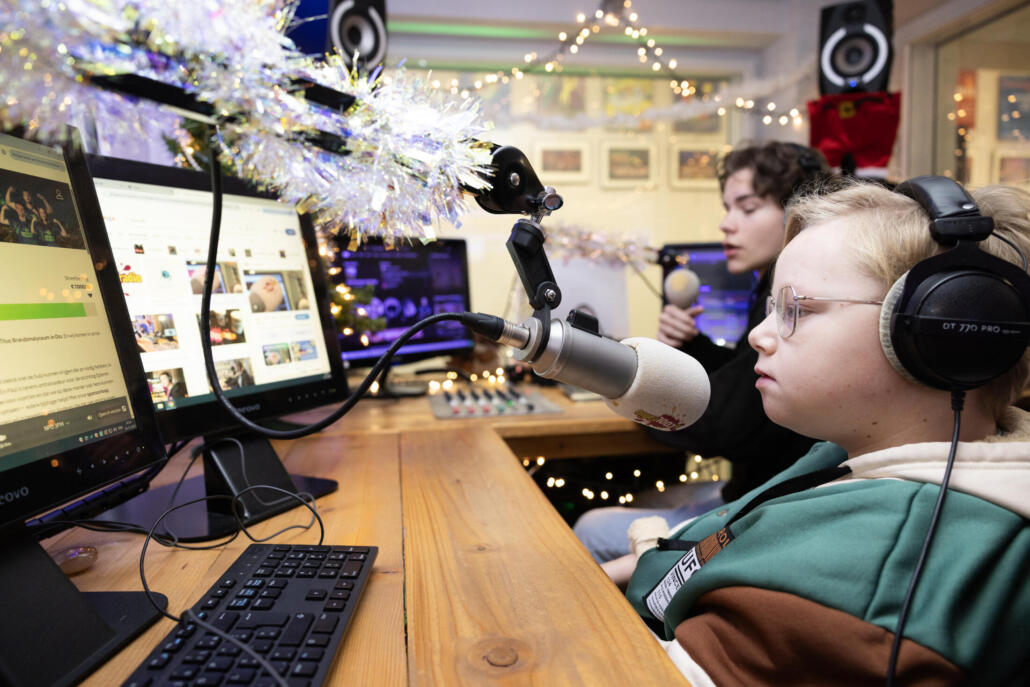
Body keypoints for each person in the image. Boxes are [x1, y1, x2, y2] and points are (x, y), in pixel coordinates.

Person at [610, 179, 1030, 685]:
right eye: (770, 308)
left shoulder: (860, 590)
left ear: (936, 329)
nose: (757, 335)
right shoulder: (849, 454)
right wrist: (643, 557)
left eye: (797, 310)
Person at [573, 142, 828, 563]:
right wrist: (692, 346)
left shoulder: (790, 300)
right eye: (727, 208)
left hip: (765, 516)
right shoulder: (776, 289)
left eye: (747, 208)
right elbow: (745, 379)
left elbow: (719, 425)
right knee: (643, 499)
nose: (726, 224)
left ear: (797, 213)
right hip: (758, 493)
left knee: (591, 528)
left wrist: (635, 393)